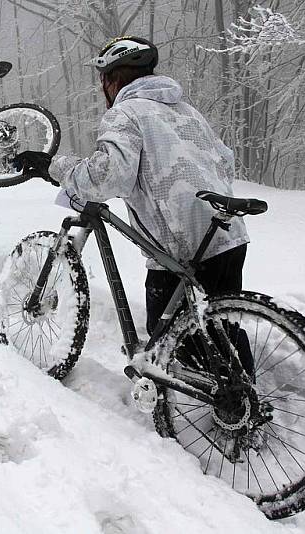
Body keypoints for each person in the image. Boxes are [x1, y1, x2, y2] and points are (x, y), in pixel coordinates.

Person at [17, 36, 249, 336]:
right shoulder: (188, 111)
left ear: (112, 80)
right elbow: (225, 162)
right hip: (226, 235)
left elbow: (107, 176)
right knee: (220, 329)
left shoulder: (126, 112)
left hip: (180, 248)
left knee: (171, 338)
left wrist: (53, 166)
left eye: (103, 80)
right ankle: (243, 383)